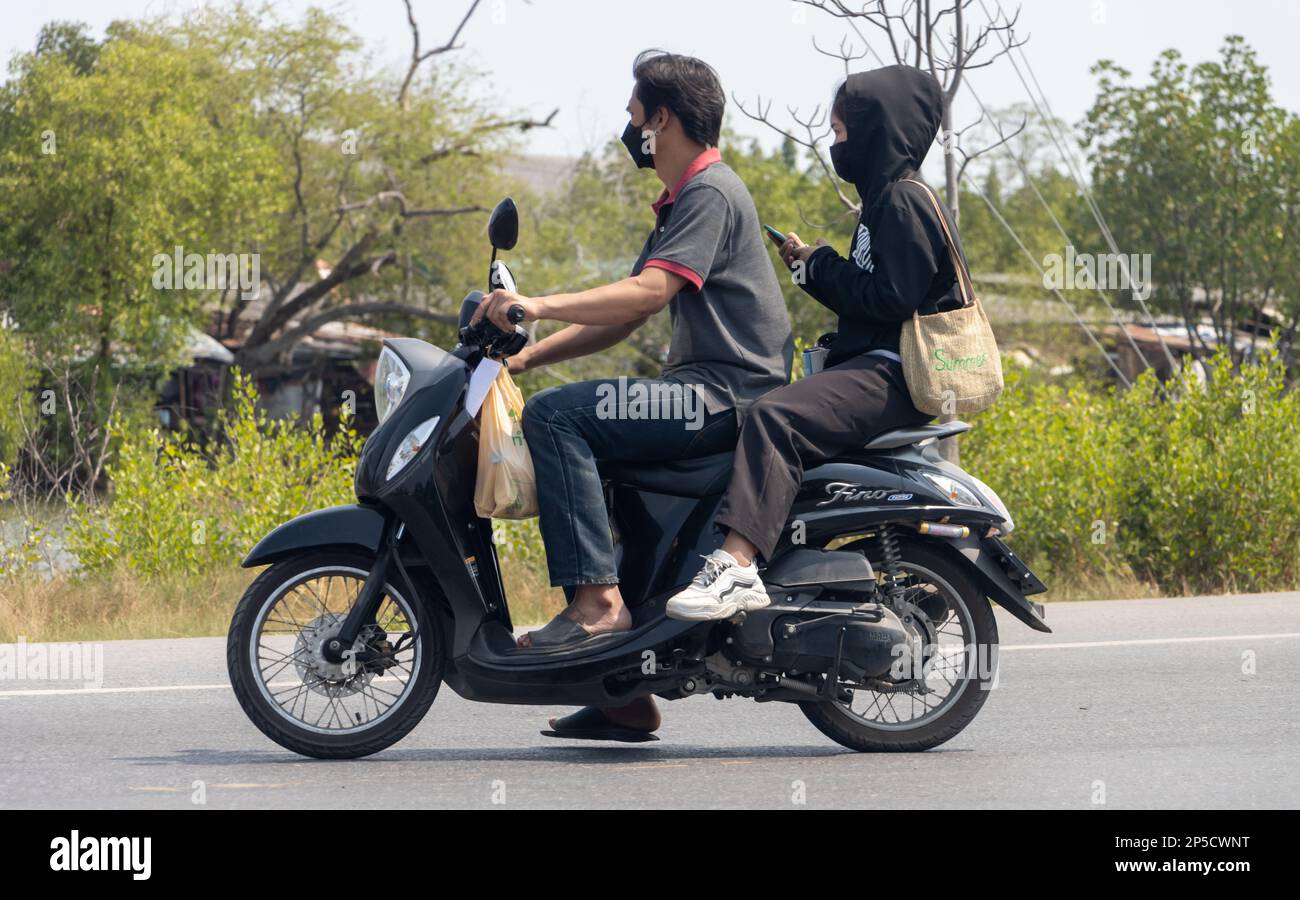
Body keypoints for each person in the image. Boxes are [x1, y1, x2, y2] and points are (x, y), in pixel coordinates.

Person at [472, 49, 792, 679]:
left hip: (724, 396)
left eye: (633, 114)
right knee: (586, 436)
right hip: (701, 390)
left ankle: (597, 605)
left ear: (661, 120)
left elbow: (648, 293)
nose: (628, 129)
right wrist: (528, 356)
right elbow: (625, 315)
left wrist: (533, 304)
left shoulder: (710, 192)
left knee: (558, 418)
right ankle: (622, 688)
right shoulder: (683, 199)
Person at [666, 64, 970, 621]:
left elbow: (890, 300)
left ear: (876, 129)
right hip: (880, 366)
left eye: (840, 132)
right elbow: (871, 296)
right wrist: (815, 266)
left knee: (774, 417)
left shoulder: (902, 200)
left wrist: (824, 264)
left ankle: (737, 565)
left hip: (896, 373)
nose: (836, 145)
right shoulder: (886, 201)